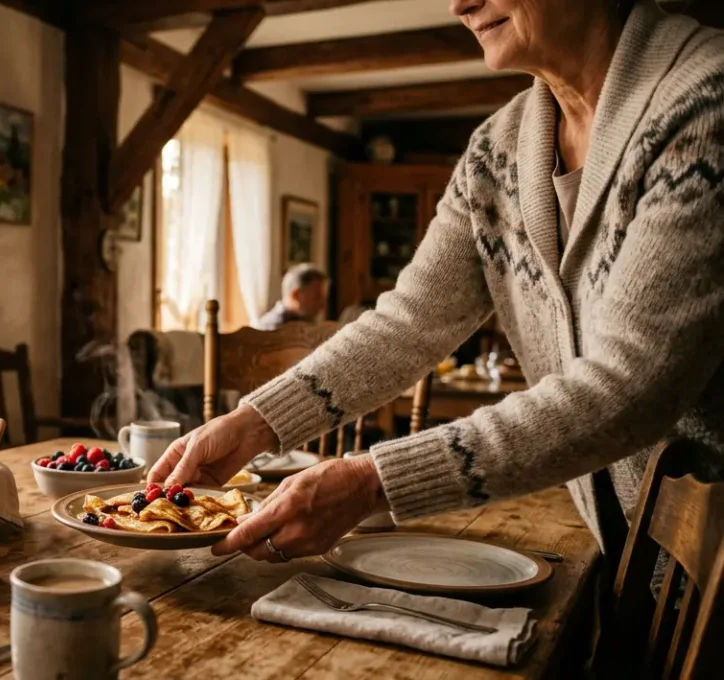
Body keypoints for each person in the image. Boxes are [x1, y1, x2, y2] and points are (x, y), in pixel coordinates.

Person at [150, 0, 724, 566]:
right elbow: (411, 320)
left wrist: (375, 480)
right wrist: (256, 423)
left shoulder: (705, 101)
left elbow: (631, 386)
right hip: (630, 559)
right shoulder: (494, 153)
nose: (459, 5)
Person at [255, 264, 329, 330]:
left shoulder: (306, 323)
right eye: (317, 297)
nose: (322, 305)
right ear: (295, 295)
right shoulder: (272, 329)